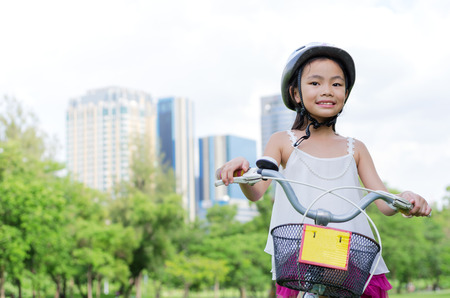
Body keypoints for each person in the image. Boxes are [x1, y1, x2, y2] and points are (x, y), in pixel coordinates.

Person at [217, 42, 432, 298]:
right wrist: (244, 174)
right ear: (296, 93)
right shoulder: (282, 141)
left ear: (345, 94)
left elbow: (384, 203)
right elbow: (258, 189)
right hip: (302, 257)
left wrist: (405, 199)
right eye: (315, 83)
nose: (327, 91)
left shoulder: (356, 148)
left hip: (352, 257)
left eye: (336, 84)